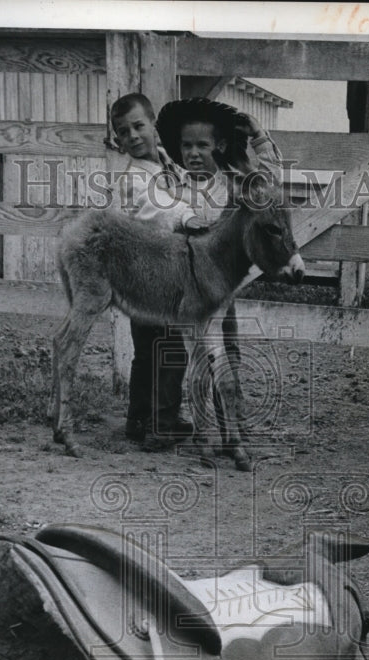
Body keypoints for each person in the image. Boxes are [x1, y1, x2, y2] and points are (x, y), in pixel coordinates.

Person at [155, 97, 283, 448]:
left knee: (226, 353)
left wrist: (258, 136)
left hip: (220, 291)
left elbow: (267, 180)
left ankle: (233, 428)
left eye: (202, 145)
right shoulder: (173, 183)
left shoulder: (231, 183)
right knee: (176, 354)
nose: (193, 153)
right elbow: (160, 211)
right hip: (182, 288)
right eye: (186, 145)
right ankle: (170, 423)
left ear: (220, 145)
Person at [107, 94, 204, 448]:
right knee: (167, 349)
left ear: (153, 127)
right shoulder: (132, 180)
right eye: (123, 132)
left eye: (138, 126)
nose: (132, 136)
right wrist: (187, 217)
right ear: (117, 141)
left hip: (156, 272)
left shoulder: (167, 166)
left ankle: (138, 420)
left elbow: (182, 189)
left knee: (149, 351)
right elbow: (157, 207)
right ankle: (162, 424)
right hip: (146, 275)